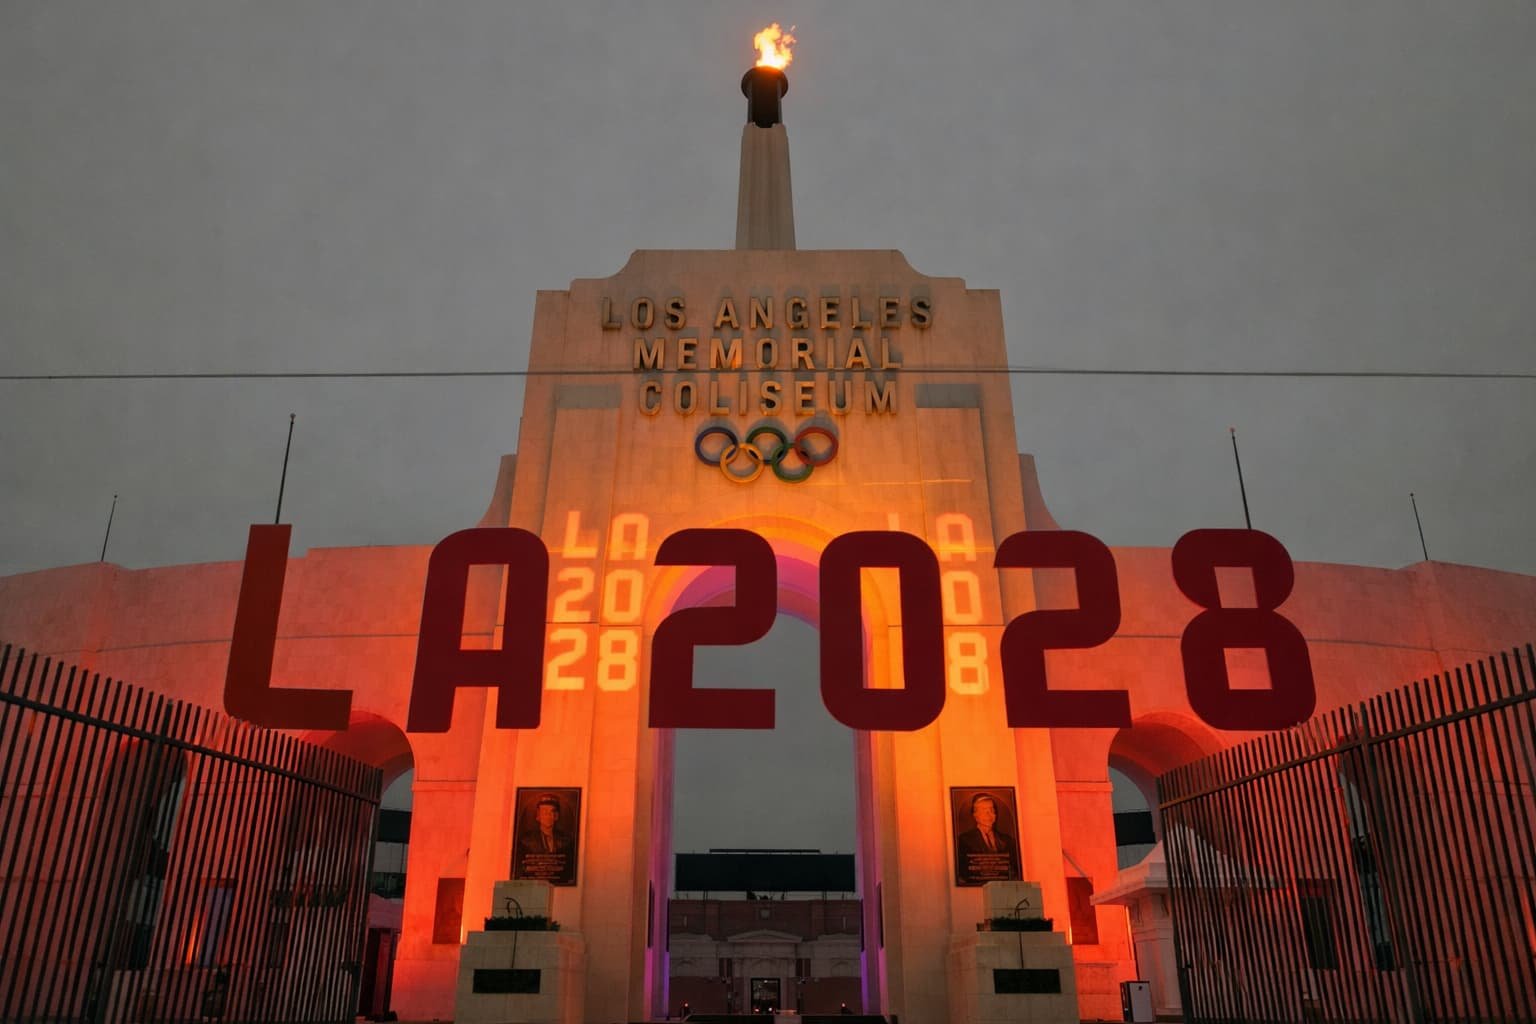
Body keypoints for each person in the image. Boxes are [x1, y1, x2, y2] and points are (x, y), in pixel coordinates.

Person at [955, 792, 1019, 883]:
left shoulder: (1007, 840)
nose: (989, 815)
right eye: (984, 810)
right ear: (975, 815)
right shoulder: (964, 840)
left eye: (992, 810)